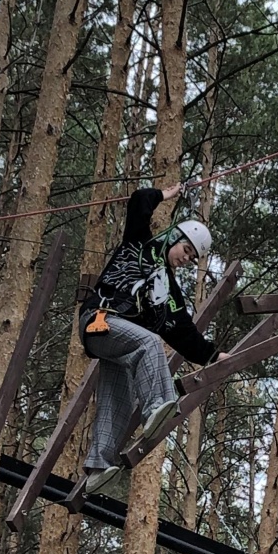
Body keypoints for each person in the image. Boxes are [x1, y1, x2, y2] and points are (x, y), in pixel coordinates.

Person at [79, 182, 217, 495]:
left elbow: (183, 330)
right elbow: (140, 201)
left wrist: (212, 356)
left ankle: (98, 468)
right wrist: (165, 195)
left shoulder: (169, 293)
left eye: (193, 258)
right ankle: (158, 404)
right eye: (186, 250)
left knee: (119, 398)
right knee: (149, 344)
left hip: (117, 342)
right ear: (174, 236)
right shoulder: (138, 244)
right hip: (100, 320)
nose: (186, 259)